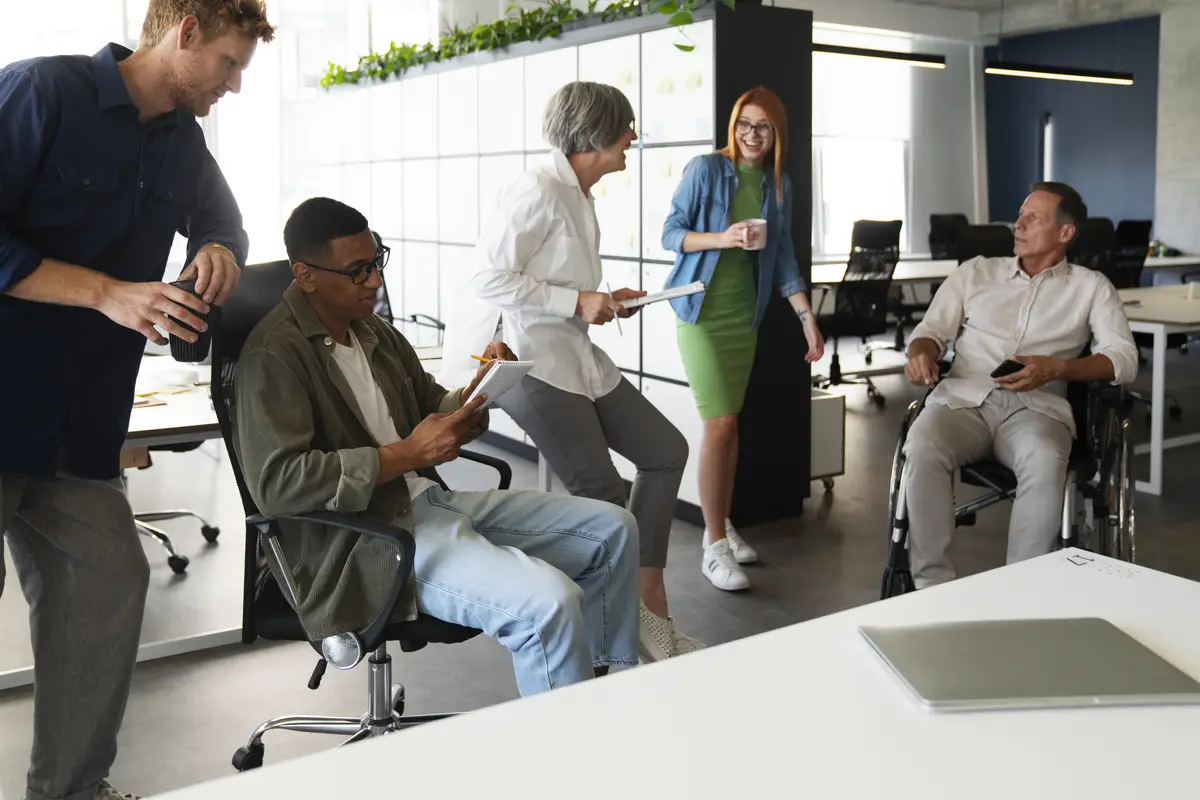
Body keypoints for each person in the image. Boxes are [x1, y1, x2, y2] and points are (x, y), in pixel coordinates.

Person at [0, 1, 273, 798]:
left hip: (79, 426)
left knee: (111, 579)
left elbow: (225, 220)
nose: (234, 84)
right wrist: (108, 295)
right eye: (228, 63)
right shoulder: (43, 93)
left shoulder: (184, 144)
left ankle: (72, 790)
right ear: (185, 30)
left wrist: (219, 250)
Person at [233, 198, 641, 696]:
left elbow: (433, 406)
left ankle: (597, 697)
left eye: (376, 262)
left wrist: (479, 388)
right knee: (548, 604)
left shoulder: (372, 332)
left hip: (426, 503)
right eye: (357, 272)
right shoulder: (273, 355)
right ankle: (565, 756)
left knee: (614, 529)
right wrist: (406, 455)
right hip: (366, 538)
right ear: (306, 274)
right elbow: (279, 486)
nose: (374, 283)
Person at [440, 81, 700, 662]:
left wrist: (603, 299)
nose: (632, 136)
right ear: (596, 133)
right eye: (626, 126)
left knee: (665, 450)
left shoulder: (579, 194)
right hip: (527, 356)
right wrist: (577, 301)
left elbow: (559, 283)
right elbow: (488, 277)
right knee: (603, 493)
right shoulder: (534, 188)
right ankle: (631, 630)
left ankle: (643, 593)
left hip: (573, 351)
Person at [901, 182, 1138, 588]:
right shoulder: (975, 272)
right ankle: (930, 589)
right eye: (1020, 214)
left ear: (1065, 233)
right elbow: (930, 332)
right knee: (921, 445)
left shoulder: (1090, 287)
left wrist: (1058, 369)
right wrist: (921, 352)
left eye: (1034, 218)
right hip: (963, 401)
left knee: (1046, 460)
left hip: (1037, 409)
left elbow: (1124, 359)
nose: (1019, 224)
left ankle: (1019, 592)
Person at [661, 86, 824, 592]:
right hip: (700, 310)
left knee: (731, 429)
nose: (752, 135)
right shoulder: (707, 169)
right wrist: (724, 237)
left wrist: (806, 318)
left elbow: (784, 260)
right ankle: (713, 547)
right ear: (733, 127)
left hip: (743, 318)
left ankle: (721, 523)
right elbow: (671, 233)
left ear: (778, 134)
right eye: (744, 125)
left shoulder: (781, 184)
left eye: (763, 127)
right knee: (721, 425)